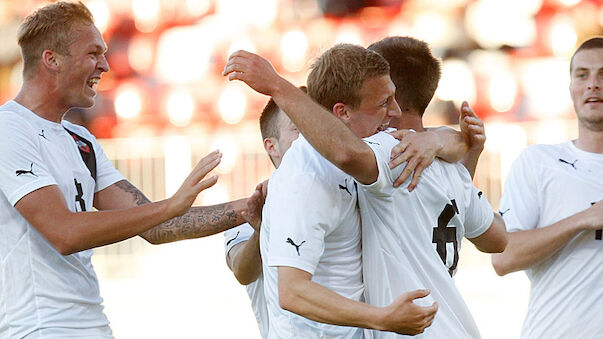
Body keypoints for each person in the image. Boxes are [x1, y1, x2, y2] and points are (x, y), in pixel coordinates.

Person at [223, 42, 506, 338]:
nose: (393, 111)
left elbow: (347, 153)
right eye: (384, 102)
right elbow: (499, 238)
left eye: (394, 99)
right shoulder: (426, 156)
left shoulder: (391, 151)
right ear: (343, 112)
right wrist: (462, 145)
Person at [0, 2, 247, 337]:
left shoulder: (80, 139)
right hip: (39, 329)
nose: (104, 64)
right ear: (52, 60)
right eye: (92, 53)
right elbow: (64, 232)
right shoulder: (8, 128)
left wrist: (254, 205)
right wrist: (169, 205)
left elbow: (159, 226)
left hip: (93, 326)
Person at [491, 37, 603, 339]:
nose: (593, 84)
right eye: (582, 75)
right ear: (571, 89)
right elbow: (503, 257)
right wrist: (585, 219)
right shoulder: (538, 162)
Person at [224, 89, 303, 338]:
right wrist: (263, 228)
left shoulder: (350, 192)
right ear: (272, 146)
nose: (311, 133)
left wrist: (429, 138)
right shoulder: (251, 209)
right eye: (297, 127)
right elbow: (242, 271)